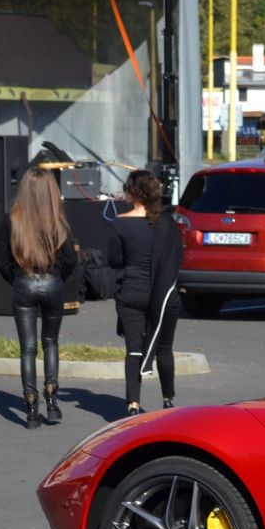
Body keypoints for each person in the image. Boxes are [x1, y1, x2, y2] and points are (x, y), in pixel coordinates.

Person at [0, 168, 80, 430]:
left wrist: (17, 279)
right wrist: (56, 279)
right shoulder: (57, 221)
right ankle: (52, 399)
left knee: (27, 348)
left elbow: (0, 260)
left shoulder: (11, 220)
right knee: (50, 343)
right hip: (52, 282)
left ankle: (31, 407)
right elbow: (71, 260)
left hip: (24, 282)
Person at [107, 169, 184, 416]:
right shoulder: (167, 223)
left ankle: (132, 404)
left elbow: (114, 259)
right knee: (165, 348)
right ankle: (168, 400)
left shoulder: (120, 223)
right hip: (164, 295)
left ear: (132, 192)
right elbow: (178, 257)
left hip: (131, 293)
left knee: (133, 349)